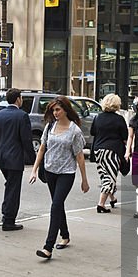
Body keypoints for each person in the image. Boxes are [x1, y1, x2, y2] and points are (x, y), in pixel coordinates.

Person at [31, 96, 90, 259]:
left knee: (55, 205)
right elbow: (42, 149)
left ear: (66, 109)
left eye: (58, 109)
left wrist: (84, 180)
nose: (55, 113)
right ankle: (65, 235)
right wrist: (34, 170)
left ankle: (48, 247)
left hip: (66, 173)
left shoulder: (74, 131)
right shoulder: (50, 126)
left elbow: (79, 156)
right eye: (53, 110)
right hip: (50, 171)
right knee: (58, 205)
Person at [0, 88, 34, 231]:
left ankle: (6, 215)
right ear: (18, 99)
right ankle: (8, 219)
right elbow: (26, 140)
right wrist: (34, 159)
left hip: (2, 157)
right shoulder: (22, 116)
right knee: (13, 189)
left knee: (10, 186)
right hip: (14, 158)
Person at [90, 93, 127, 213]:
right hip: (112, 150)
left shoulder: (97, 117)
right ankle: (101, 204)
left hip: (98, 149)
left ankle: (112, 198)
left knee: (104, 175)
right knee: (110, 177)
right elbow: (125, 137)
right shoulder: (119, 119)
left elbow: (92, 132)